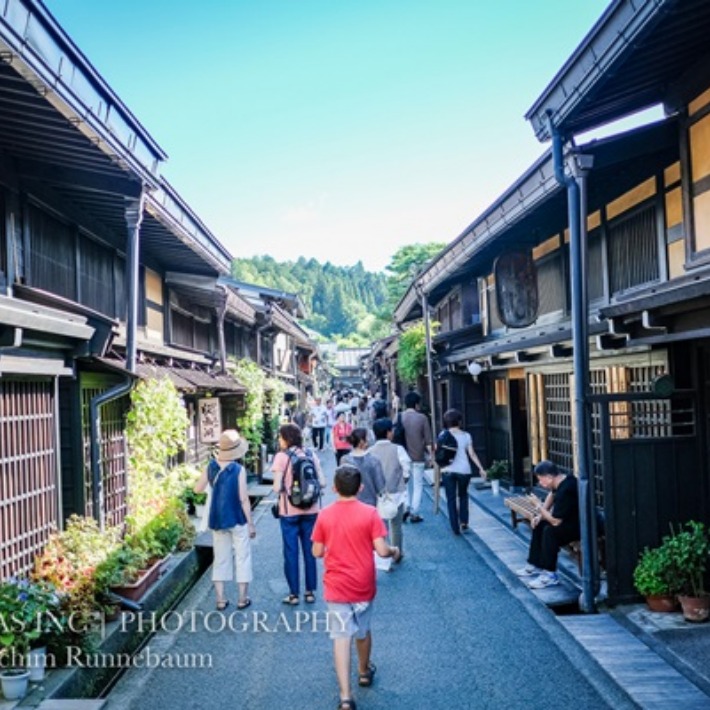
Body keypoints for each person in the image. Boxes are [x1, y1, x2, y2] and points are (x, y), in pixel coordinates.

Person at [312, 465, 401, 710]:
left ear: (334, 488)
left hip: (336, 585)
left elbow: (316, 551)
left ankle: (345, 696)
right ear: (360, 488)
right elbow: (382, 550)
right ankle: (363, 670)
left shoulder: (325, 515)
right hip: (363, 584)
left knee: (341, 638)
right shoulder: (370, 513)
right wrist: (393, 551)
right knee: (362, 631)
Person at [194, 429, 255, 611]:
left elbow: (197, 489)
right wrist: (251, 523)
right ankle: (242, 599)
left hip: (217, 519)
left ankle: (221, 600)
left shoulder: (211, 466)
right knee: (242, 557)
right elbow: (243, 498)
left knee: (220, 558)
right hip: (237, 518)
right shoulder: (238, 470)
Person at [271, 423, 327, 605]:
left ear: (286, 438)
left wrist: (287, 488)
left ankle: (294, 594)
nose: (279, 441)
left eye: (280, 437)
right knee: (310, 551)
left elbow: (276, 487)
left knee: (291, 552)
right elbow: (323, 482)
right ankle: (310, 592)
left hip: (289, 512)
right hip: (311, 510)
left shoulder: (282, 457)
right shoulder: (310, 454)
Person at [516, 460, 580, 589]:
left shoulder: (567, 489)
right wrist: (540, 516)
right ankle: (535, 564)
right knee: (540, 524)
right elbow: (552, 493)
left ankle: (550, 575)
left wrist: (538, 506)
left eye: (541, 479)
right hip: (569, 520)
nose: (540, 483)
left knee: (550, 532)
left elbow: (555, 521)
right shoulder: (562, 480)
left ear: (549, 477)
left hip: (579, 525)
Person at [438, 409, 486, 535]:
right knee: (463, 495)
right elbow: (472, 454)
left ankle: (455, 527)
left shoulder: (443, 435)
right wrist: (481, 468)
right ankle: (464, 521)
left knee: (451, 498)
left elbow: (439, 453)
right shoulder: (466, 436)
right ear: (459, 421)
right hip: (464, 470)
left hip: (448, 470)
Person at [369, 418, 410, 558]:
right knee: (396, 526)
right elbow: (406, 468)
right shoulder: (398, 449)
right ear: (388, 433)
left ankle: (382, 554)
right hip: (396, 493)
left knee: (380, 527)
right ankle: (397, 553)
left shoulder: (370, 451)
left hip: (377, 495)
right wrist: (403, 480)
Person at [400, 391, 433, 523]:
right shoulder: (422, 418)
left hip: (402, 456)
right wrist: (431, 456)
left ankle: (406, 506)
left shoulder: (399, 417)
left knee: (405, 484)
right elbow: (428, 440)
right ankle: (415, 512)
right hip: (418, 455)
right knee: (418, 484)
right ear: (416, 404)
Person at [342, 428, 386, 507]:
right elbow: (380, 485)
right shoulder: (374, 460)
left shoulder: (345, 460)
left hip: (350, 502)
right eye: (367, 437)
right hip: (370, 503)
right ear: (362, 441)